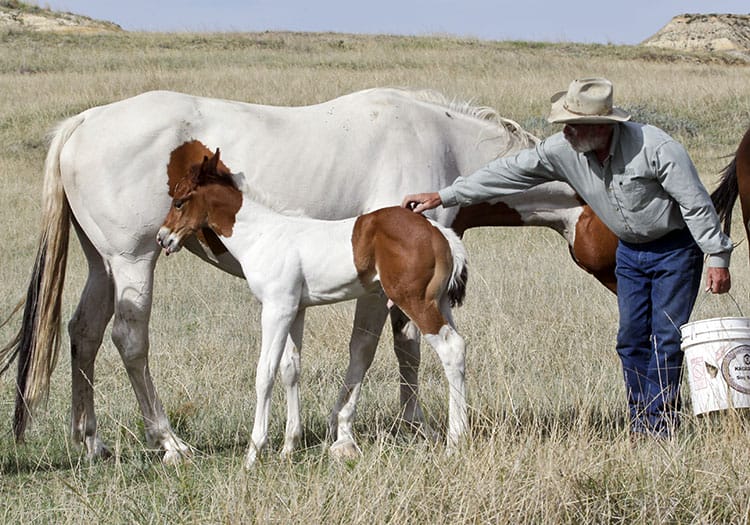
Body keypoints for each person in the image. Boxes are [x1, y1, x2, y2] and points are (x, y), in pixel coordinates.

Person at [402, 77, 733, 439]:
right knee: (631, 339)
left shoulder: (657, 148)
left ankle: (660, 425)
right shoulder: (564, 150)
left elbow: (695, 203)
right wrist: (445, 196)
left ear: (602, 128)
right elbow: (508, 173)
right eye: (566, 125)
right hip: (630, 251)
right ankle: (643, 422)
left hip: (675, 248)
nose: (567, 131)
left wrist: (717, 256)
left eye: (574, 125)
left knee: (667, 339)